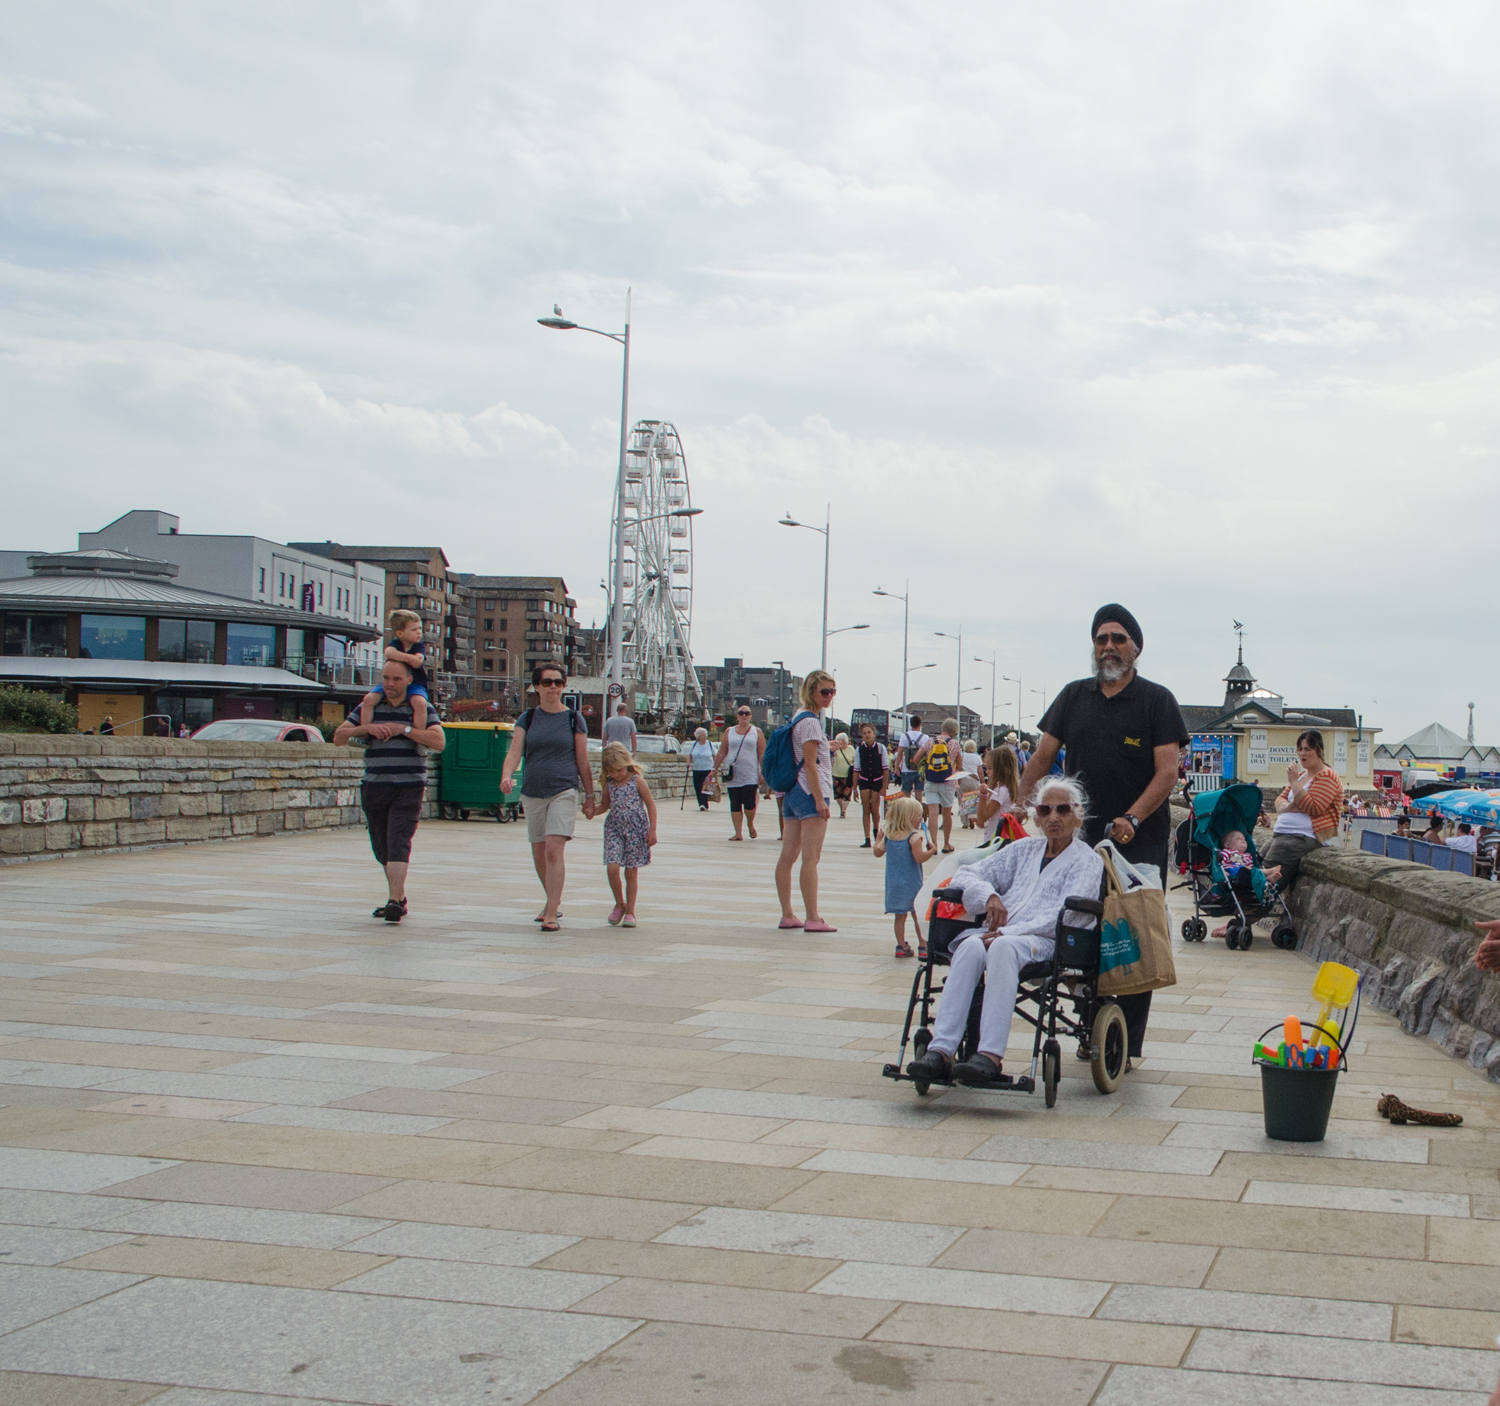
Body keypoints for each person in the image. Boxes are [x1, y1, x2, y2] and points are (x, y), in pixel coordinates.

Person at [1020, 604, 1187, 1067]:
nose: (1108, 646)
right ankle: (1087, 1024)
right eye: (1101, 639)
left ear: (1135, 647)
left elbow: (1167, 771)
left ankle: (1125, 1043)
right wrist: (1019, 807)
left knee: (1134, 933)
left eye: (1117, 638)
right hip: (1078, 840)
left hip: (1141, 841)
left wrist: (1131, 817)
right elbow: (1041, 759)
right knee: (1080, 930)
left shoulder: (1157, 700)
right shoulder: (1074, 696)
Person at [905, 776, 1104, 1087]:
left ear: (1077, 814)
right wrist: (989, 896)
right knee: (969, 947)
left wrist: (1012, 931)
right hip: (1000, 933)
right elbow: (968, 873)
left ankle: (989, 1054)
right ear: (1036, 815)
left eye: (1062, 810)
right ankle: (941, 1049)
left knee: (1002, 947)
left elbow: (1071, 914)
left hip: (1046, 939)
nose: (1053, 817)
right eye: (1045, 810)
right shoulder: (1023, 849)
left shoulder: (1087, 860)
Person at [333, 659, 446, 923]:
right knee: (381, 845)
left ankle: (394, 901)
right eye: (386, 678)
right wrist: (367, 728)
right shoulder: (369, 707)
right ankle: (399, 895)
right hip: (375, 784)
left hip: (408, 785)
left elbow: (439, 741)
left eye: (396, 679)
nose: (390, 684)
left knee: (398, 840)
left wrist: (405, 730)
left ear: (409, 680)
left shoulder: (421, 706)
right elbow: (338, 737)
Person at [500, 663, 597, 932]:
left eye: (558, 682)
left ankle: (552, 912)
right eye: (547, 682)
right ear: (537, 687)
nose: (553, 686)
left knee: (554, 849)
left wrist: (589, 796)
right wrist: (506, 775)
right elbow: (514, 753)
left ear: (564, 686)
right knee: (539, 853)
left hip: (564, 790)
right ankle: (551, 899)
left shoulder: (573, 719)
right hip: (532, 791)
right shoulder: (527, 718)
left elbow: (583, 761)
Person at [774, 669, 838, 932]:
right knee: (811, 858)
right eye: (824, 691)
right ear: (811, 690)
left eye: (833, 692)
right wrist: (819, 801)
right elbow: (811, 765)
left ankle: (788, 914)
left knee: (788, 855)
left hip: (792, 792)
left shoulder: (797, 717)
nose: (829, 696)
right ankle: (813, 916)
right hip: (810, 791)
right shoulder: (811, 722)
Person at [1262, 730, 1344, 887]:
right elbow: (1279, 800)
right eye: (1300, 749)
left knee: (1267, 873)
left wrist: (1294, 783)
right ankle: (1245, 905)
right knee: (1255, 864)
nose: (1302, 753)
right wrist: (1289, 807)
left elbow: (1314, 807)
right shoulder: (1301, 776)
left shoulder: (1327, 776)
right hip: (1282, 834)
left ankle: (1256, 907)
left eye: (1307, 749)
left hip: (1302, 836)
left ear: (1318, 750)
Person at [598, 741, 657, 928]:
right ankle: (619, 904)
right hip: (614, 829)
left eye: (620, 770)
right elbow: (605, 805)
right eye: (612, 772)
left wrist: (652, 830)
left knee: (631, 872)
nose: (617, 775)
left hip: (636, 831)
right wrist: (592, 810)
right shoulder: (609, 784)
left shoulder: (636, 780)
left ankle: (630, 911)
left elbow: (650, 805)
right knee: (612, 868)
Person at [875, 796, 936, 959]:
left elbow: (877, 852)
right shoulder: (914, 837)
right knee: (918, 915)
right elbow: (919, 858)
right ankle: (923, 946)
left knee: (899, 917)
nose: (920, 819)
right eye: (918, 816)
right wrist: (931, 850)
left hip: (894, 884)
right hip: (912, 884)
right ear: (908, 817)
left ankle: (901, 946)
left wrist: (878, 839)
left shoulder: (889, 836)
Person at [359, 610, 430, 731]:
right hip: (391, 684)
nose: (419, 632)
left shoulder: (419, 645)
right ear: (400, 633)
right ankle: (364, 732)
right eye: (414, 629)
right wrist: (409, 658)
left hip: (415, 684)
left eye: (420, 628)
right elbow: (388, 652)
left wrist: (402, 657)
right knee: (369, 699)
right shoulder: (396, 644)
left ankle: (419, 737)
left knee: (420, 703)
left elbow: (418, 660)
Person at [715, 707, 765, 841]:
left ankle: (750, 823)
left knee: (749, 803)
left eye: (747, 713)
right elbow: (722, 751)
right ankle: (738, 832)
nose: (744, 716)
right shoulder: (729, 731)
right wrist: (714, 769)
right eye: (741, 713)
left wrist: (763, 771)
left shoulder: (756, 732)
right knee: (735, 802)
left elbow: (762, 753)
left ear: (750, 716)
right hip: (732, 772)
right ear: (737, 716)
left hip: (750, 772)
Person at [917, 718, 962, 854]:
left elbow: (915, 759)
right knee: (947, 814)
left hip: (931, 781)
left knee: (933, 813)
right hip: (948, 782)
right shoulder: (955, 744)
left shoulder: (930, 741)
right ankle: (946, 844)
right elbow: (959, 766)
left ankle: (934, 844)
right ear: (955, 730)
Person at [977, 745, 1022, 842]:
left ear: (1000, 769)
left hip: (995, 840)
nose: (987, 772)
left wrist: (982, 795)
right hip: (1004, 838)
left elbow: (982, 818)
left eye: (990, 768)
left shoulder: (1000, 791)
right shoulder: (1008, 788)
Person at [855, 722, 890, 847]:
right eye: (864, 733)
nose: (867, 735)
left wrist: (884, 787)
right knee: (866, 809)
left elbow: (885, 769)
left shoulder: (881, 748)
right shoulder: (859, 749)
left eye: (869, 732)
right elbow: (856, 769)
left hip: (877, 780)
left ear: (874, 734)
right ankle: (867, 838)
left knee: (875, 810)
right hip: (864, 780)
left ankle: (876, 833)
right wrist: (854, 788)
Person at [895, 714, 929, 797]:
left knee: (906, 795)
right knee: (919, 795)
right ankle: (918, 809)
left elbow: (899, 754)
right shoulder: (925, 737)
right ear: (920, 724)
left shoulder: (904, 736)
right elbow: (928, 755)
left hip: (906, 769)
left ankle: (908, 810)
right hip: (919, 770)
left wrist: (896, 768)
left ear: (910, 724)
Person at [687, 727, 715, 811]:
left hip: (708, 769)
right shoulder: (694, 744)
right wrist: (688, 762)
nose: (704, 736)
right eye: (702, 735)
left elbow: (714, 755)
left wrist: (715, 767)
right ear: (698, 736)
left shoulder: (709, 744)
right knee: (698, 787)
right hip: (697, 769)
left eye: (704, 735)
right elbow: (689, 755)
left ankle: (703, 804)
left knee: (705, 787)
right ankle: (702, 803)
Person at [831, 732, 857, 818]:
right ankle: (842, 808)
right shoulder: (835, 749)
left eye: (841, 741)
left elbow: (855, 761)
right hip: (836, 774)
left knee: (847, 794)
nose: (839, 743)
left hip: (848, 775)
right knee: (838, 794)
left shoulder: (851, 749)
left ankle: (843, 811)